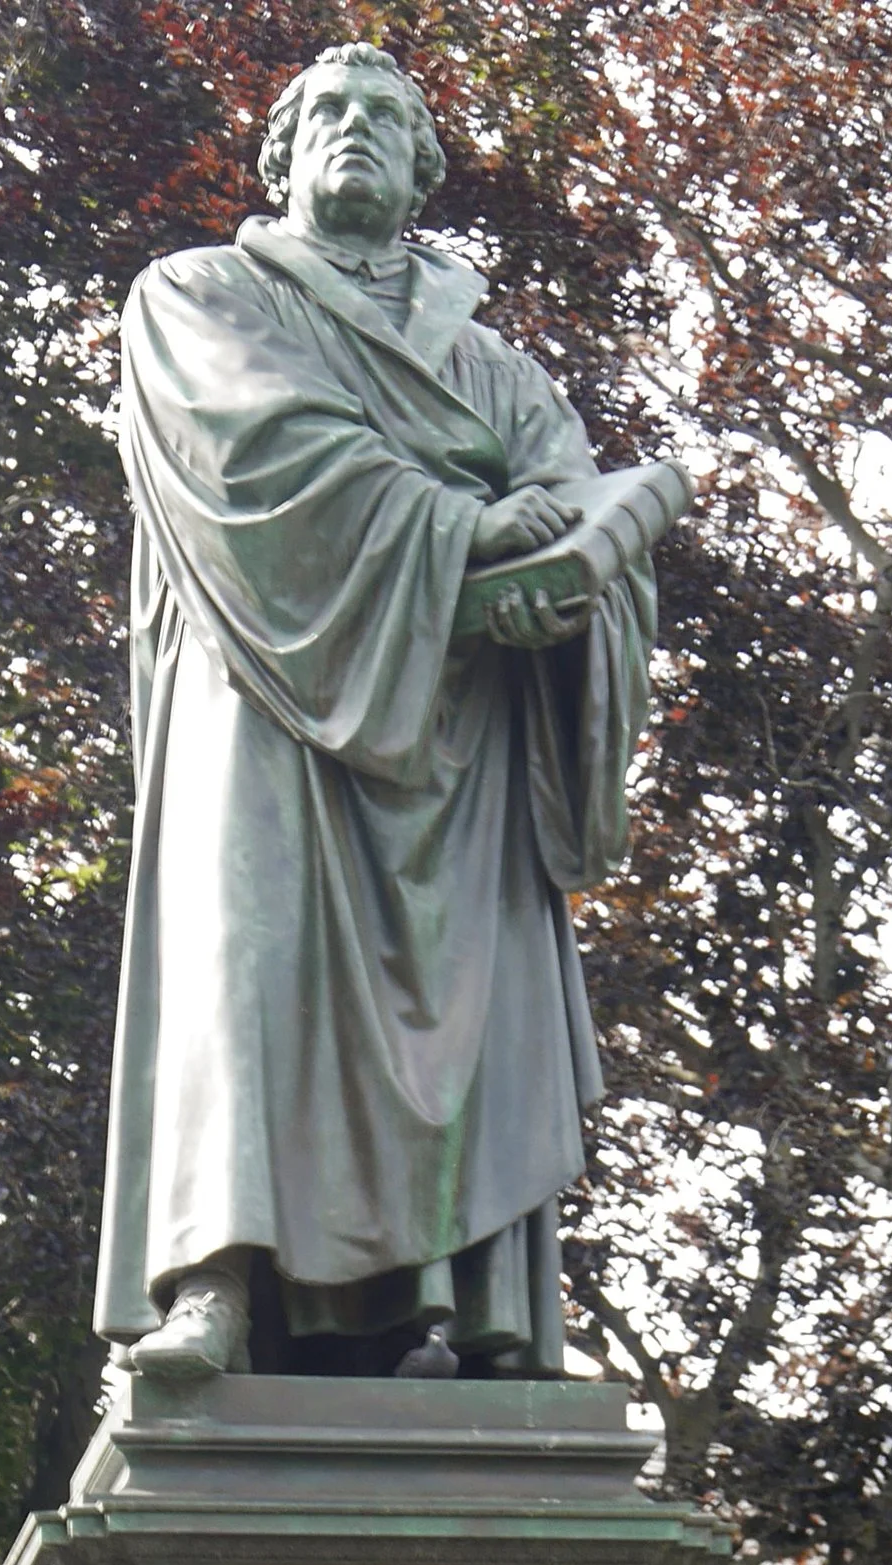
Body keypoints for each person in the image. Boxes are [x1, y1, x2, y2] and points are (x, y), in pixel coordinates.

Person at [98, 40, 684, 1383]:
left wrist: (575, 591)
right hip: (267, 690)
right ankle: (213, 1288)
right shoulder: (198, 298)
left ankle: (458, 1315)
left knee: (469, 1007)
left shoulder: (497, 370)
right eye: (333, 112)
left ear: (423, 171)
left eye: (389, 118)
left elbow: (575, 510)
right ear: (284, 153)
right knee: (249, 964)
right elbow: (261, 458)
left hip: (462, 734)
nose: (357, 130)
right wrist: (472, 526)